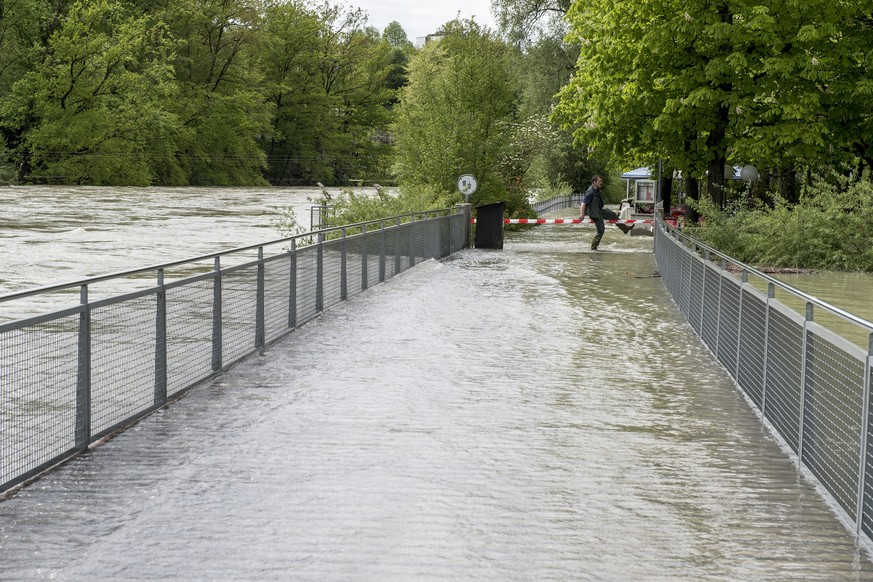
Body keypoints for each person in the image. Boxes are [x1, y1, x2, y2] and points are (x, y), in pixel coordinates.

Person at [579, 175, 632, 250]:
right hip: (595, 214)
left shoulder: (596, 189)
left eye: (601, 181)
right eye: (599, 181)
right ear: (594, 182)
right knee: (601, 230)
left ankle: (625, 229)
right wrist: (582, 214)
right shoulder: (590, 192)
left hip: (599, 210)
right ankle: (593, 248)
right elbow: (583, 203)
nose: (601, 183)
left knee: (613, 215)